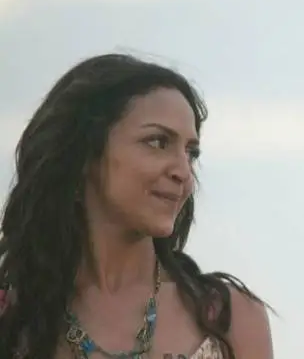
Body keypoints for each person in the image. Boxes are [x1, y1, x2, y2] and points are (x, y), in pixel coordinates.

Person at [0, 54, 273, 358]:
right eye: (157, 142)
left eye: (190, 153)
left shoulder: (228, 319)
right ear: (85, 155)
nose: (183, 172)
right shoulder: (14, 321)